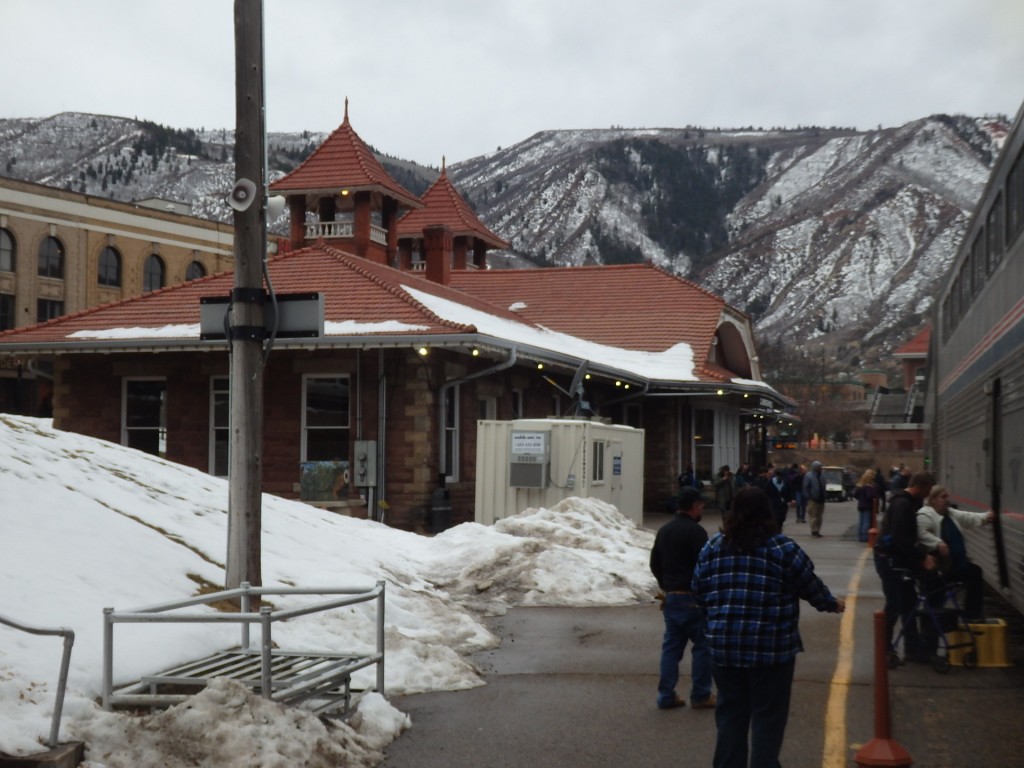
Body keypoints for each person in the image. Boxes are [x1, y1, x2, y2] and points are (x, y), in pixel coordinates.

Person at [692, 486, 845, 768]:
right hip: (771, 650)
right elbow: (809, 585)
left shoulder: (713, 547)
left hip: (724, 647)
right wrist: (831, 604)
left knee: (730, 716)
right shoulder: (783, 548)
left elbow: (699, 592)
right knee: (767, 718)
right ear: (768, 512)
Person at [649, 487, 715, 710]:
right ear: (695, 507)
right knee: (703, 646)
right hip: (693, 598)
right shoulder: (696, 533)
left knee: (671, 649)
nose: (703, 509)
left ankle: (666, 695)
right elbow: (705, 566)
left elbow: (654, 563)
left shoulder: (665, 530)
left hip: (671, 597)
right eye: (702, 505)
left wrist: (666, 584)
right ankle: (701, 694)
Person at [874, 471, 937, 661]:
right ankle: (884, 649)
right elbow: (901, 538)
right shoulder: (903, 504)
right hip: (890, 560)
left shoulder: (908, 502)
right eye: (928, 490)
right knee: (894, 604)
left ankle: (913, 648)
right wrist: (922, 557)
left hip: (897, 560)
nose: (928, 494)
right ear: (922, 486)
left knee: (908, 602)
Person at [916, 485, 994, 621]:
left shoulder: (950, 513)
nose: (946, 500)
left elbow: (968, 517)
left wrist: (986, 517)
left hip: (955, 566)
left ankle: (972, 615)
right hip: (938, 569)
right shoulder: (925, 514)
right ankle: (929, 633)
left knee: (975, 572)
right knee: (935, 601)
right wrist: (936, 543)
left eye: (947, 497)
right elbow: (921, 533)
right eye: (943, 497)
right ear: (933, 499)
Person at [758, 466, 793, 531]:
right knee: (775, 519)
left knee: (781, 520)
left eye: (781, 476)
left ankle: (779, 530)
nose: (780, 477)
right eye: (779, 476)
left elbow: (789, 493)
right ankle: (776, 531)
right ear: (776, 475)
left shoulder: (785, 483)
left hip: (783, 506)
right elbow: (765, 493)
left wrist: (791, 500)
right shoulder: (770, 483)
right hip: (773, 505)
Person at [852, 469, 877, 543]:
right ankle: (864, 536)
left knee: (861, 521)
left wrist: (860, 499)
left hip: (860, 505)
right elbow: (870, 496)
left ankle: (860, 536)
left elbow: (855, 494)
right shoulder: (868, 487)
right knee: (866, 522)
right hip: (867, 506)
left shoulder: (860, 486)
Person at [802, 461, 826, 537]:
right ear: (815, 468)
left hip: (821, 499)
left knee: (819, 516)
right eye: (819, 467)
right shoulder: (809, 476)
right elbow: (805, 487)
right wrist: (808, 497)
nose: (820, 468)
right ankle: (814, 530)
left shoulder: (822, 476)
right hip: (813, 499)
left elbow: (824, 485)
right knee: (813, 516)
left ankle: (818, 530)